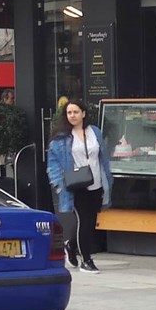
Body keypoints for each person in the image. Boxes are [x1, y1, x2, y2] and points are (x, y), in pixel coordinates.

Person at [46, 99, 111, 274]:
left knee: (91, 221)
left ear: (83, 113)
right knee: (85, 220)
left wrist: (107, 179)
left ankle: (71, 245)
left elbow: (103, 157)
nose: (72, 115)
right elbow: (53, 163)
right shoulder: (61, 138)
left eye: (75, 112)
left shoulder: (94, 132)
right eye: (69, 112)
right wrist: (59, 183)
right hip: (75, 184)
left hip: (96, 182)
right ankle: (86, 260)